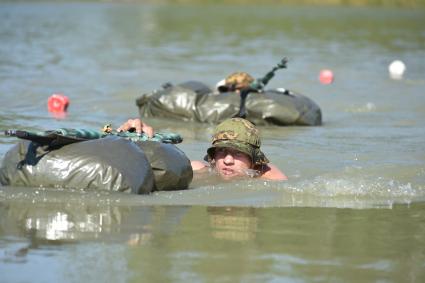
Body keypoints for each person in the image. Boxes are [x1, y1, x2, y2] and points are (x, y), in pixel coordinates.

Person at [117, 117, 287, 181]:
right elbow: (155, 164)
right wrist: (135, 139)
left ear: (254, 161)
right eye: (222, 151)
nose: (227, 160)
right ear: (212, 156)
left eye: (238, 153)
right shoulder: (199, 170)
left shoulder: (266, 177)